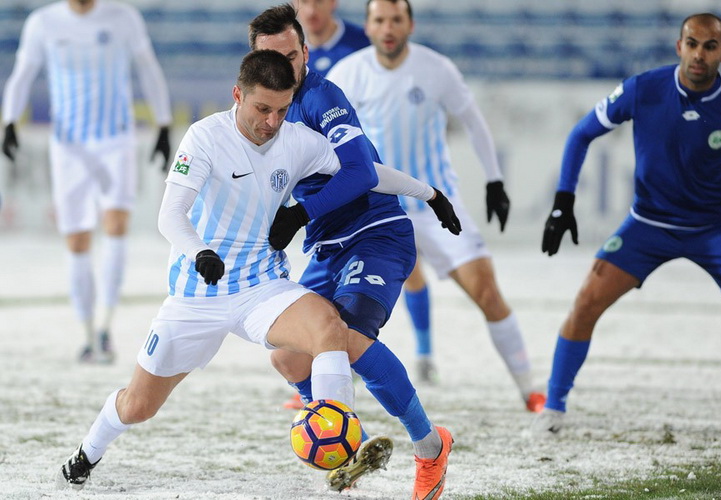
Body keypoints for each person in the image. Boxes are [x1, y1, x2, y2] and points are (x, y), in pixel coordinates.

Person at [55, 48, 453, 491]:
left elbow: (364, 171)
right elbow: (170, 214)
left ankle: (338, 440)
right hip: (195, 296)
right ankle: (87, 452)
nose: (271, 122)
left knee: (329, 327)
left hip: (261, 287)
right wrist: (199, 252)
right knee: (138, 406)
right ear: (237, 95)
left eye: (282, 110)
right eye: (263, 109)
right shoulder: (205, 137)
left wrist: (429, 194)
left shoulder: (297, 141)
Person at [249, 5, 456, 498]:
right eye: (270, 60)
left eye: (291, 57)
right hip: (326, 246)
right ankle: (342, 433)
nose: (283, 69)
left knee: (349, 337)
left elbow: (362, 171)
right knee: (288, 357)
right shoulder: (260, 109)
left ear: (305, 53)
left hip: (375, 233)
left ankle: (430, 446)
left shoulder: (322, 97)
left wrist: (301, 214)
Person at [534, 12, 721, 435]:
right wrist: (563, 202)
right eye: (692, 44)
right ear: (679, 46)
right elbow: (581, 133)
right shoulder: (643, 88)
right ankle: (553, 407)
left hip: (718, 228)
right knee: (586, 302)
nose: (699, 54)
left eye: (710, 46)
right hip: (648, 225)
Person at [326, 0, 545, 411]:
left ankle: (529, 389)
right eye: (379, 20)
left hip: (438, 205)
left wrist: (495, 180)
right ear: (368, 27)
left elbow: (474, 121)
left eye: (396, 19)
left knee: (487, 291)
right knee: (347, 304)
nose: (388, 28)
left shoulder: (436, 69)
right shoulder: (347, 74)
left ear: (410, 24)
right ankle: (322, 390)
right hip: (376, 210)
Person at [1, 0, 172, 363]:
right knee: (77, 239)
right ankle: (87, 331)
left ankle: (106, 326)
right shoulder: (43, 22)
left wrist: (163, 123)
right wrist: (10, 120)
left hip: (116, 139)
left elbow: (148, 68)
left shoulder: (123, 17)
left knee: (116, 225)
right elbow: (23, 73)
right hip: (69, 146)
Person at [294, 0, 369, 77]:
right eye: (304, 2)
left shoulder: (365, 41)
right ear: (295, 4)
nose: (311, 11)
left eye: (319, 1)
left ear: (333, 2)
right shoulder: (289, 51)